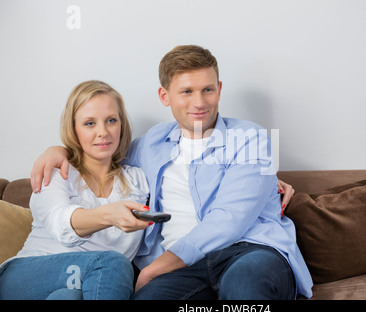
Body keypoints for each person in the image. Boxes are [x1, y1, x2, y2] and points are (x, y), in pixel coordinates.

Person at [30, 45, 313, 299]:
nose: (199, 102)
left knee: (244, 287)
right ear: (164, 96)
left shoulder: (251, 138)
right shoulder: (149, 144)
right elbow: (102, 149)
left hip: (249, 250)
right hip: (184, 271)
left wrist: (154, 270)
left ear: (220, 89)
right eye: (187, 91)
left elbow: (230, 219)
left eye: (208, 89)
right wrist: (60, 150)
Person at [0, 80, 151, 300]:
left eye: (111, 120)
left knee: (67, 296)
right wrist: (110, 214)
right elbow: (60, 222)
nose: (103, 132)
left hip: (83, 286)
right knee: (111, 263)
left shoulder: (137, 180)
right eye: (90, 123)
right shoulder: (55, 171)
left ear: (121, 125)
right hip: (25, 277)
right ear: (74, 129)